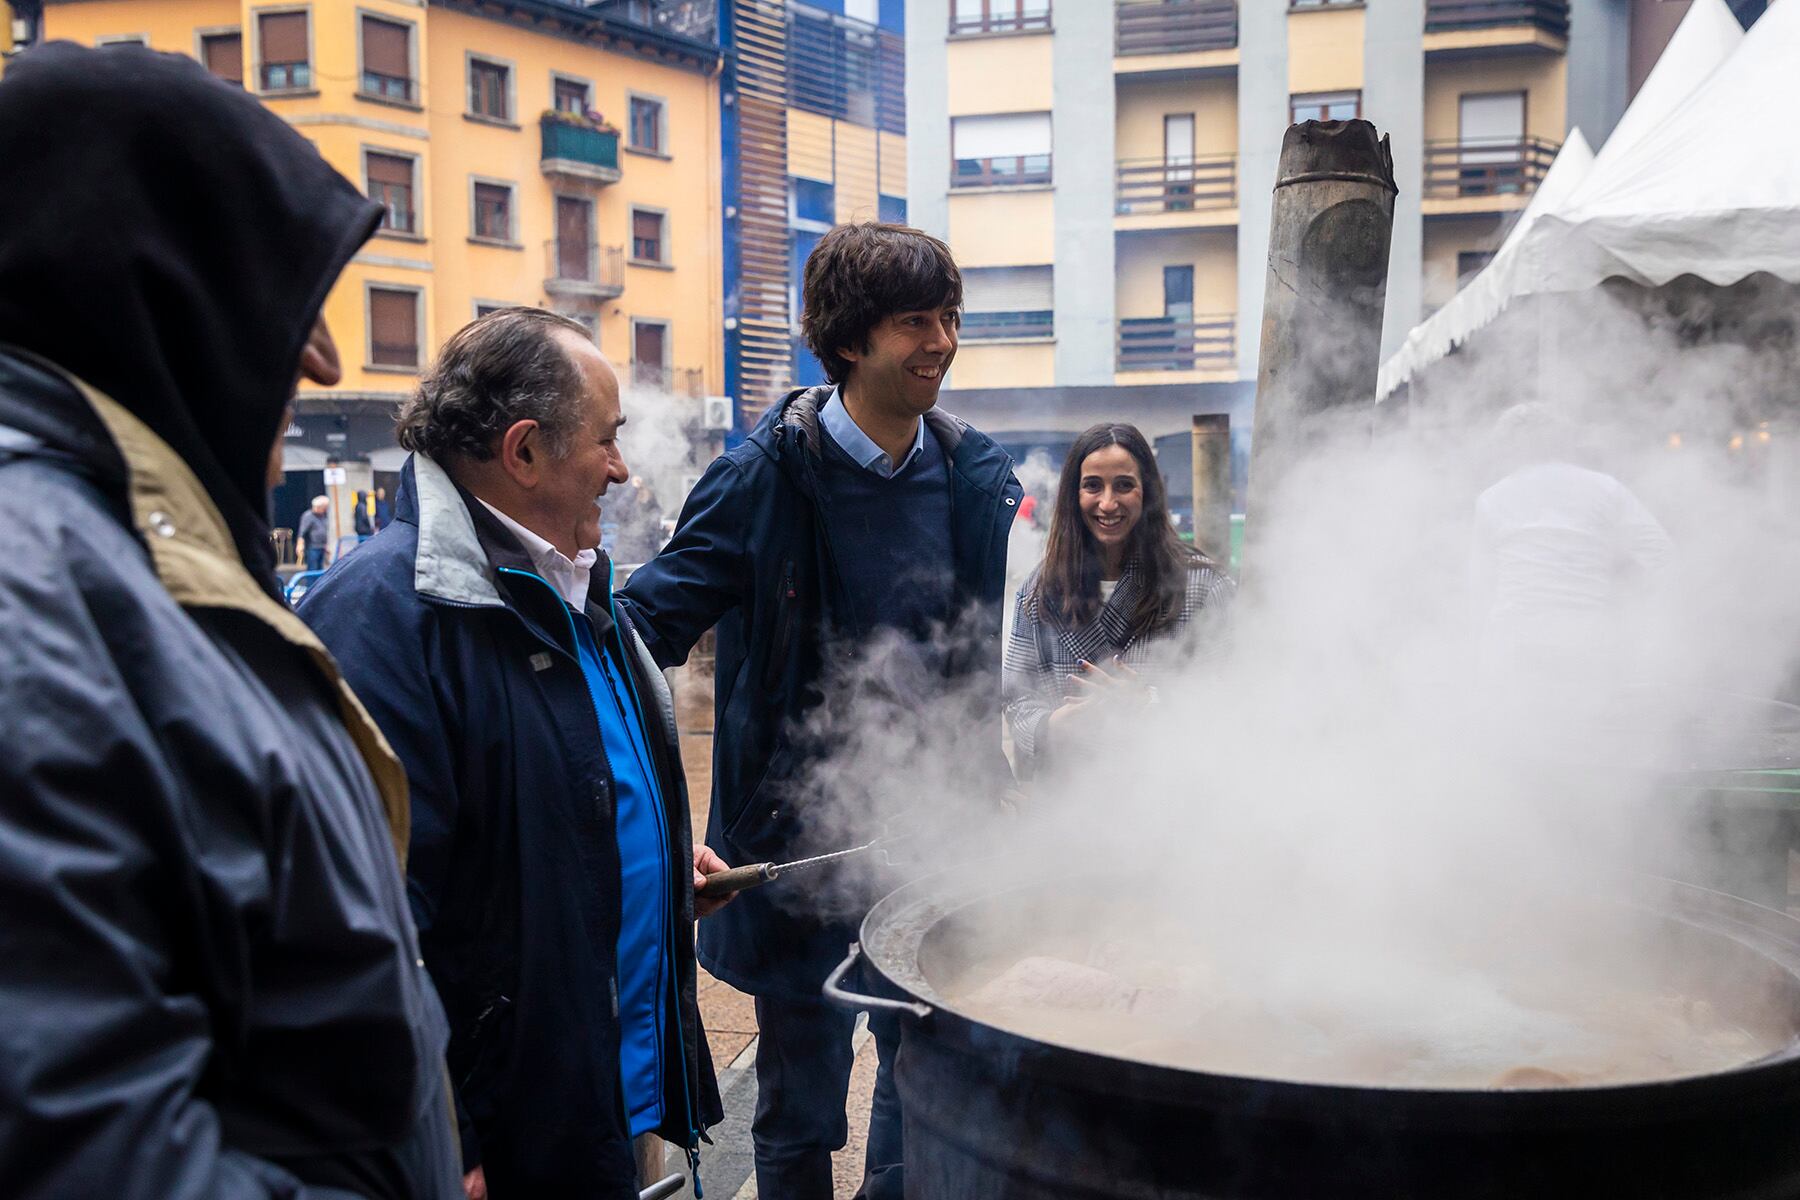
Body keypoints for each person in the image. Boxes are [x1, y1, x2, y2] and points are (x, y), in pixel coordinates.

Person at [0, 42, 461, 1199]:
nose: (326, 359)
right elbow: (89, 1147)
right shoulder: (31, 591)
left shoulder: (117, 554)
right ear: (162, 297)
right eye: (290, 300)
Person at [618, 222, 1023, 1200]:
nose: (942, 341)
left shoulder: (970, 475)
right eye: (916, 322)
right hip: (793, 857)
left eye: (950, 317)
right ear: (848, 341)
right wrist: (663, 827)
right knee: (798, 1117)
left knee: (915, 1082)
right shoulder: (764, 478)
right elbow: (638, 636)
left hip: (929, 842)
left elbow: (971, 669)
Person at [298, 308, 725, 1200]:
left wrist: (647, 851)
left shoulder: (572, 581)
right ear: (524, 451)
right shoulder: (382, 614)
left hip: (598, 1098)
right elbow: (364, 920)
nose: (620, 468)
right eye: (606, 443)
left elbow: (562, 779)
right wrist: (441, 1136)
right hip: (501, 1131)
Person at [1003, 423, 1234, 779]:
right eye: (1092, 486)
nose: (1108, 503)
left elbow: (1233, 700)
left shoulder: (1203, 587)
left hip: (1172, 799)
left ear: (1148, 493)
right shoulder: (1039, 590)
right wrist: (1050, 726)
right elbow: (1017, 699)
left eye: (1124, 485)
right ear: (1073, 495)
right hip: (1068, 806)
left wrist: (1149, 703)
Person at [298, 493, 331, 568]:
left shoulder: (323, 516)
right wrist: (300, 545)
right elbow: (302, 532)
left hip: (322, 547)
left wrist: (326, 546)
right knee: (312, 568)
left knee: (320, 569)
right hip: (312, 547)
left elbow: (324, 530)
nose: (325, 509)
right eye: (324, 507)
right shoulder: (308, 516)